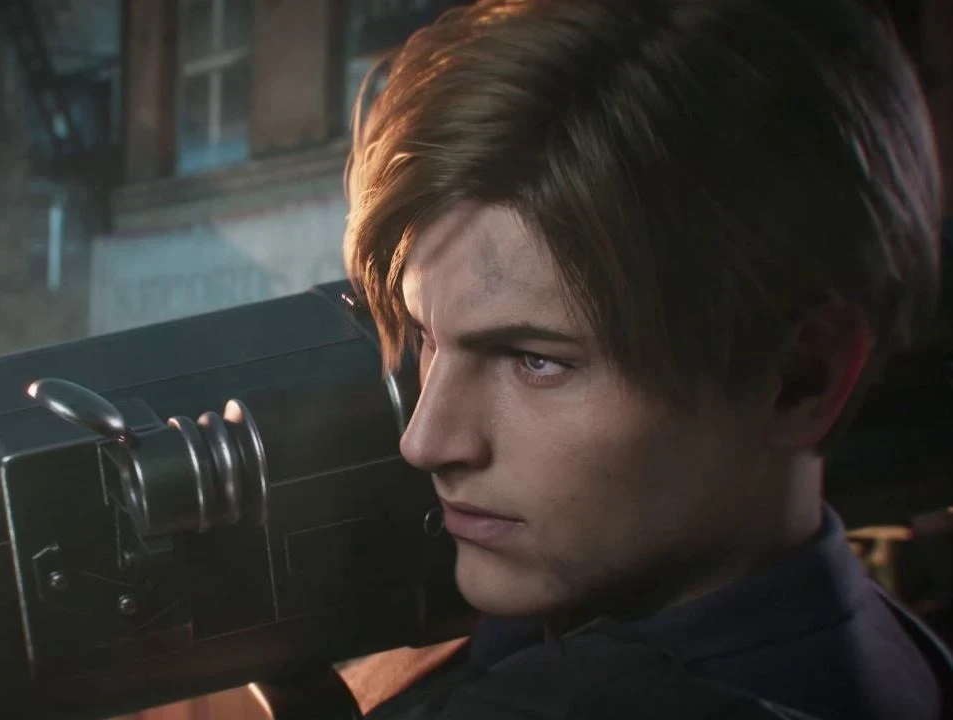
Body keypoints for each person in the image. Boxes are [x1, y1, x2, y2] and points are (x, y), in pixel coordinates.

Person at [341, 0, 950, 717]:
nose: (426, 440)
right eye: (427, 336)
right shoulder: (899, 651)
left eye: (535, 360)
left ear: (800, 379)